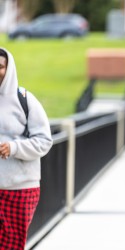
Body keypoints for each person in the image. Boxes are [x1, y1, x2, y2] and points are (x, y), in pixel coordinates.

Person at [0, 48, 53, 249]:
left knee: (12, 246)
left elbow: (44, 140)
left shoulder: (24, 99)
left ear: (9, 69)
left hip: (19, 188)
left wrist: (13, 147)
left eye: (0, 67)